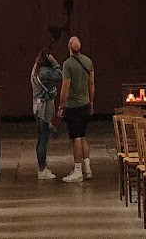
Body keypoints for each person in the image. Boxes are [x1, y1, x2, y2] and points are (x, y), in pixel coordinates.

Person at [59, 34, 94, 182]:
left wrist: (61, 106)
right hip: (85, 103)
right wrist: (91, 101)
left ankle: (78, 170)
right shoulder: (88, 61)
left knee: (76, 138)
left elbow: (65, 87)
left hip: (73, 106)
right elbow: (91, 84)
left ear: (69, 47)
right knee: (83, 135)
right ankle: (88, 168)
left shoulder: (68, 64)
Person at [31, 50, 62, 180]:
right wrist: (54, 62)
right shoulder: (45, 72)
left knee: (41, 138)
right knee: (43, 139)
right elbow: (60, 75)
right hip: (43, 108)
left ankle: (42, 166)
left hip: (37, 106)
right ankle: (42, 169)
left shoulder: (35, 70)